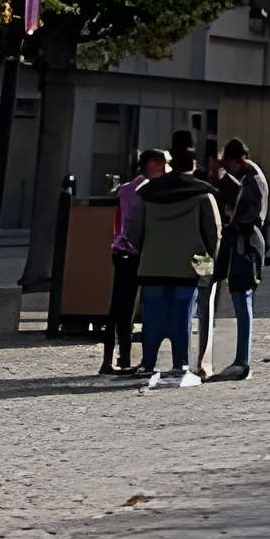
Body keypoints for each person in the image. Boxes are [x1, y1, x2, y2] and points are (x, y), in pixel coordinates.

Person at [129, 141, 219, 390]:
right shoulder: (202, 193)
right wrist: (210, 259)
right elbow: (213, 232)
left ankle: (148, 361)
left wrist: (143, 251)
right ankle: (180, 362)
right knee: (182, 312)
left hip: (153, 265)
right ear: (193, 165)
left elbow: (133, 228)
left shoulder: (146, 193)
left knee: (154, 314)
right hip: (187, 266)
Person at [212, 137, 270, 381]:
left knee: (242, 297)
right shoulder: (249, 175)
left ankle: (242, 359)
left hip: (246, 243)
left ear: (236, 160)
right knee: (241, 297)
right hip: (246, 241)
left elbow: (247, 213)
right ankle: (239, 357)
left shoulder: (250, 178)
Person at [101, 149, 158, 376]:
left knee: (121, 308)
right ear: (148, 165)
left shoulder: (126, 188)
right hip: (131, 252)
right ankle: (118, 359)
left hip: (121, 251)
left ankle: (119, 358)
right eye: (159, 165)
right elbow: (136, 224)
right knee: (123, 308)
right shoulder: (142, 189)